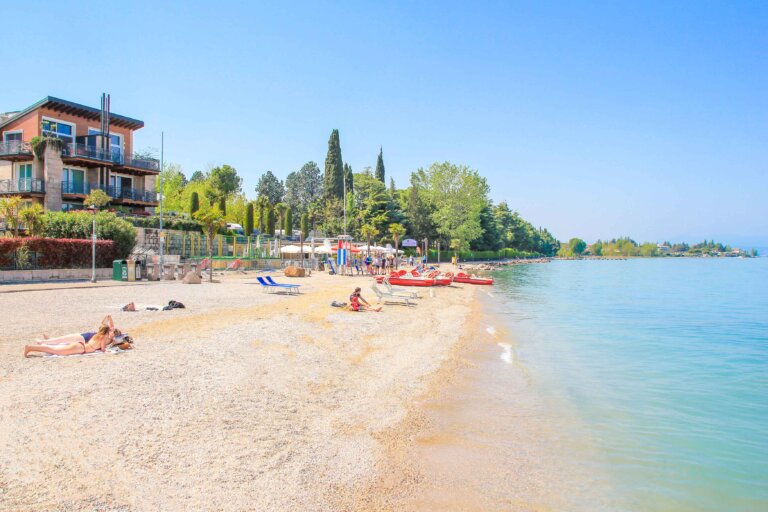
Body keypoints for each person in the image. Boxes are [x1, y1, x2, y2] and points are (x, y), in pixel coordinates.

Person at [24, 315, 117, 358]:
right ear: (107, 331)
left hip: (80, 345)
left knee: (56, 348)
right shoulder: (103, 338)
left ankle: (36, 346)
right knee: (54, 351)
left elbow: (104, 323)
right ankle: (30, 348)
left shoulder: (97, 335)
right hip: (81, 349)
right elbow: (103, 349)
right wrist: (109, 350)